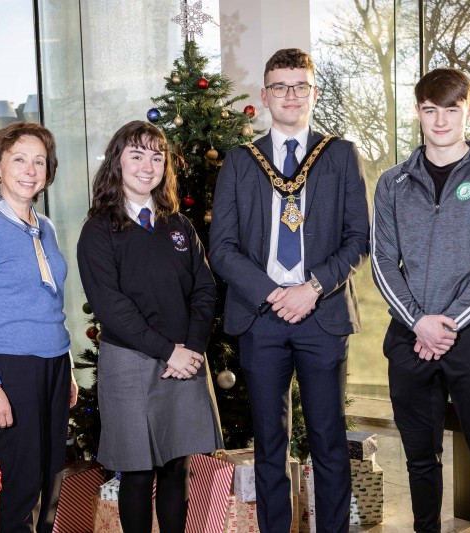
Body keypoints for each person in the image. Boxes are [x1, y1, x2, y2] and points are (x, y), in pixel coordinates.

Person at [209, 48, 370, 533]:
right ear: (264, 96)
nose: (290, 95)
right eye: (280, 86)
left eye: (300, 85)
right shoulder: (240, 162)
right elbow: (223, 247)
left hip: (322, 317)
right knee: (270, 441)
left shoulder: (340, 155)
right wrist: (274, 292)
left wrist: (312, 287)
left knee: (328, 439)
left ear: (314, 93)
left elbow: (358, 239)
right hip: (261, 318)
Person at [371, 68, 470, 533]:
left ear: (467, 110)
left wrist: (447, 323)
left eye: (451, 110)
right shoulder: (392, 183)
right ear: (418, 111)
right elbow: (381, 261)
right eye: (430, 110)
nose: (440, 121)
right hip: (410, 339)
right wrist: (418, 323)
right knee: (420, 460)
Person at [77, 121, 222, 533]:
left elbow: (205, 290)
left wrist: (191, 349)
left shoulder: (179, 226)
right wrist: (168, 351)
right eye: (136, 155)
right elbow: (111, 307)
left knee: (177, 467)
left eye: (157, 157)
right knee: (137, 473)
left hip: (186, 362)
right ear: (117, 163)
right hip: (131, 364)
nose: (147, 165)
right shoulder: (98, 230)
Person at [0, 121, 77, 532]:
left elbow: (53, 302)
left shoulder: (47, 227)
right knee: (23, 483)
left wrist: (70, 367)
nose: (30, 169)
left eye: (39, 161)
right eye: (19, 159)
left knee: (52, 478)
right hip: (11, 367)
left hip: (55, 363)